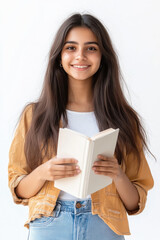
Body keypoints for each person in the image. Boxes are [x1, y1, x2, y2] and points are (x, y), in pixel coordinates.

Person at [8, 13, 154, 240]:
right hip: (49, 223)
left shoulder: (124, 119)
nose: (80, 56)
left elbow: (135, 202)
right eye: (71, 47)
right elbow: (17, 190)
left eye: (91, 48)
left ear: (103, 56)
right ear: (59, 56)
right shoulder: (35, 115)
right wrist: (44, 172)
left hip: (104, 223)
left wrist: (116, 174)